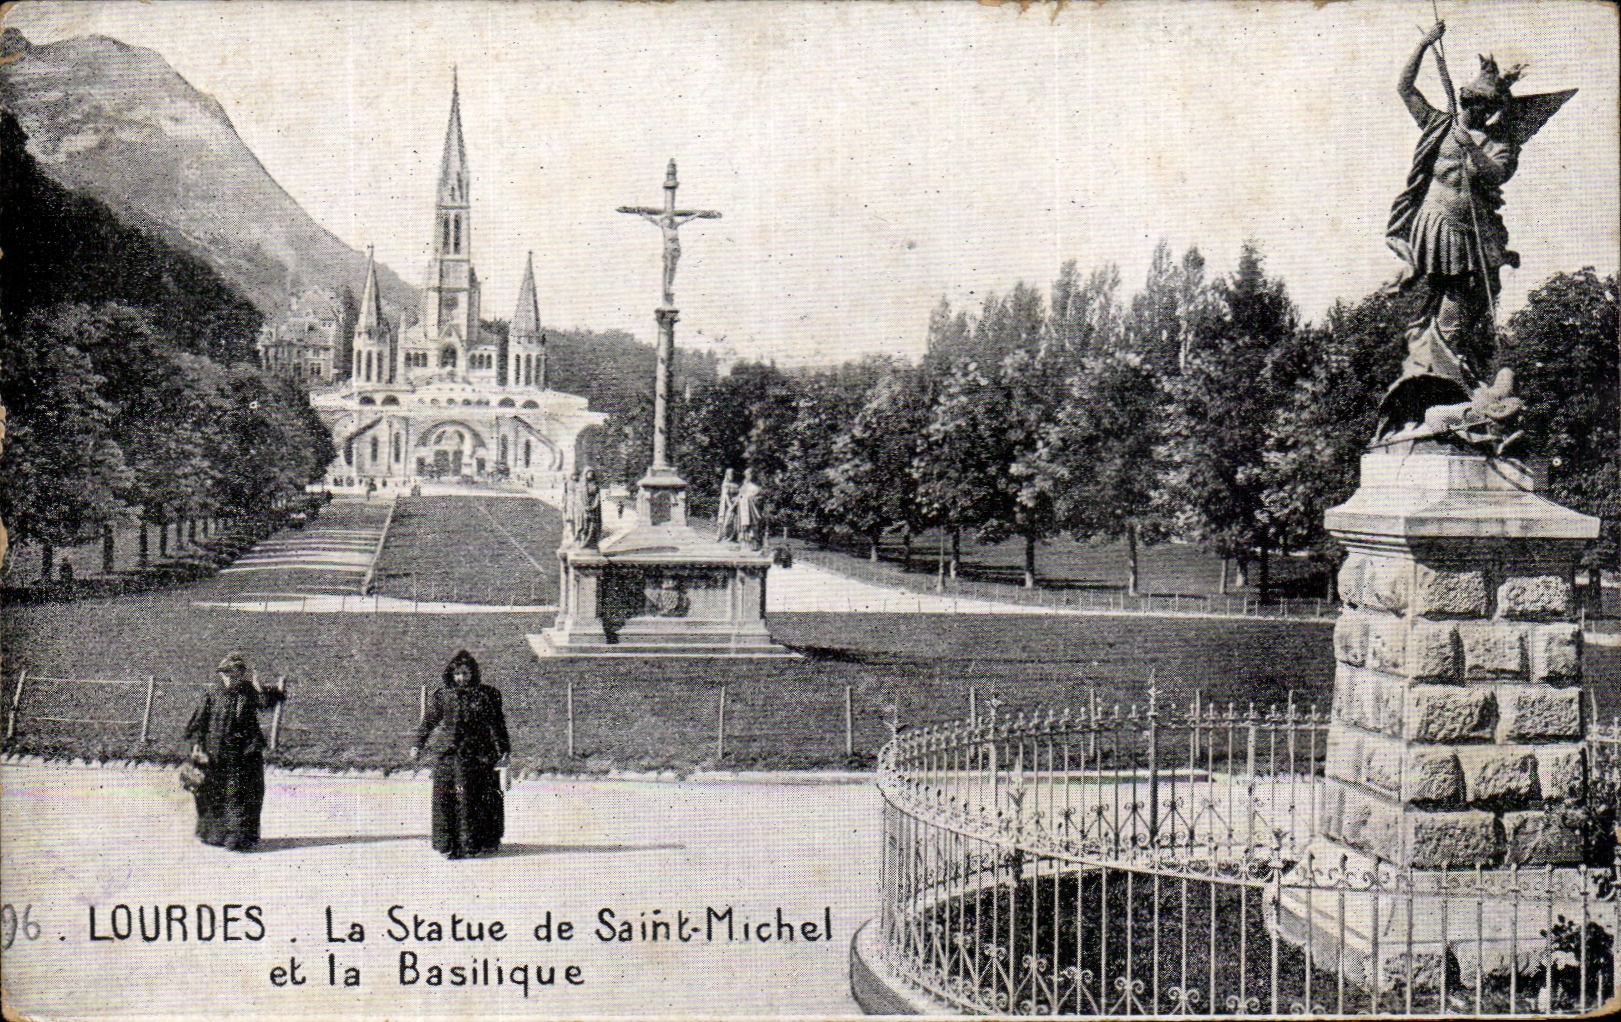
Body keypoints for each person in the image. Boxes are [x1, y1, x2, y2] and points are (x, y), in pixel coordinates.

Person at [1380, 20, 1573, 435]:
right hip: (1434, 226)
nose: (1478, 111)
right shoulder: (1438, 124)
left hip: (1472, 237)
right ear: (1465, 99)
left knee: (1462, 311)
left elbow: (1498, 173)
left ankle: (1454, 387)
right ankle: (1443, 388)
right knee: (1440, 309)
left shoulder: (1498, 142)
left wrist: (1474, 151)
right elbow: (1405, 89)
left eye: (1487, 107)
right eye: (1473, 103)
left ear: (1494, 109)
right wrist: (1423, 44)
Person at [411, 650, 511, 859]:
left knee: (472, 797)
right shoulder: (443, 696)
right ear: (451, 675)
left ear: (473, 674)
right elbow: (429, 721)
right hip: (448, 753)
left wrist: (504, 752)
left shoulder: (486, 695)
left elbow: (497, 725)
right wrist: (417, 744)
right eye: (458, 674)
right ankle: (447, 844)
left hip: (478, 754)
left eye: (466, 674)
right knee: (444, 797)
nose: (461, 678)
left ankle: (474, 843)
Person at [183, 653, 286, 851]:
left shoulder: (249, 691)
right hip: (217, 752)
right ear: (221, 675)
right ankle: (215, 835)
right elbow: (198, 723)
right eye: (226, 673)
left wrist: (258, 686)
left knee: (241, 794)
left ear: (241, 674)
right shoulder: (212, 695)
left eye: (235, 673)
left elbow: (268, 702)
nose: (230, 677)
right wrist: (197, 745)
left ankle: (239, 838)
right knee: (215, 793)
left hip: (245, 752)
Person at [715, 468, 739, 542]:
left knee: (733, 520)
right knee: (726, 520)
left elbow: (739, 494)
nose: (731, 476)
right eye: (729, 474)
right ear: (727, 475)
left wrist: (735, 503)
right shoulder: (725, 484)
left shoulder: (736, 485)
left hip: (735, 504)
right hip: (726, 505)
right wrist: (730, 506)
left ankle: (731, 536)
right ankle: (723, 536)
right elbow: (726, 496)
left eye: (732, 474)